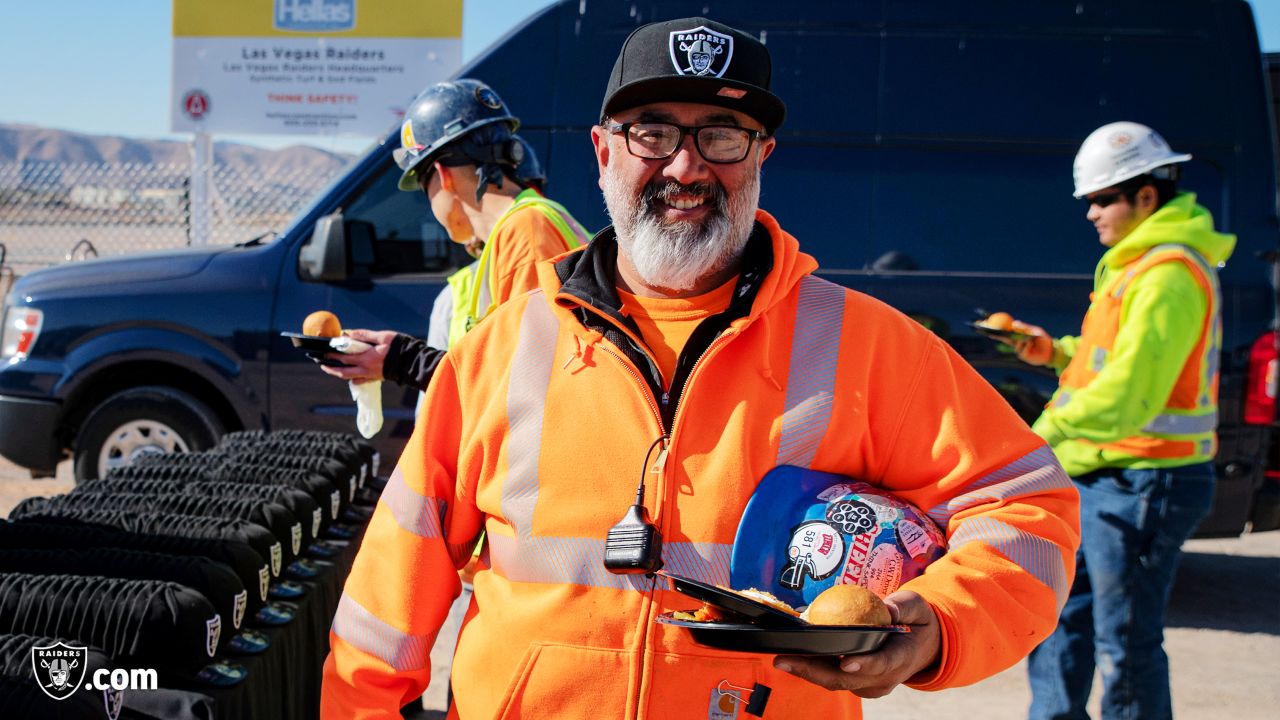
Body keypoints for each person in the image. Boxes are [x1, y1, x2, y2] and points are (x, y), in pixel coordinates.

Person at [322, 17, 1080, 719]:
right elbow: (387, 604)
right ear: (602, 151)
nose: (685, 167)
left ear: (762, 156)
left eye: (723, 135)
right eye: (651, 133)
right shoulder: (500, 350)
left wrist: (938, 622)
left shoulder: (871, 346)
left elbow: (1028, 511)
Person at [1003, 122, 1235, 720]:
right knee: (1059, 623)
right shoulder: (1136, 266)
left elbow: (1129, 397)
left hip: (1144, 482)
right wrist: (1051, 351)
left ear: (1147, 197)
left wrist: (1034, 440)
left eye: (1104, 199)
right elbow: (1109, 363)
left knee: (1125, 644)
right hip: (1104, 475)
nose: (1091, 214)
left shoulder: (1167, 276)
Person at [321, 81, 591, 392]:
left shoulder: (526, 232)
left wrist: (406, 361)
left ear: (442, 175)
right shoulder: (524, 228)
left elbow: (520, 385)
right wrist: (398, 359)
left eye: (425, 189)